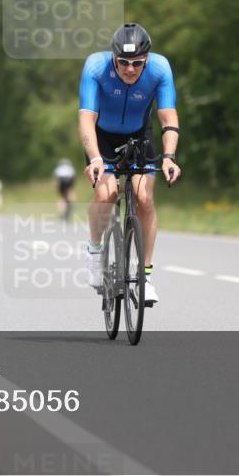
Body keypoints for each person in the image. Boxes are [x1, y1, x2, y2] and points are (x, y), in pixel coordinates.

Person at [79, 22, 180, 305]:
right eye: (122, 62)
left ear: (146, 59)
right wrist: (96, 158)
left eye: (137, 63)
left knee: (144, 197)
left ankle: (145, 276)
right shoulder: (96, 67)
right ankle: (95, 251)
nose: (130, 69)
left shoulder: (160, 68)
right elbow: (86, 118)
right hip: (102, 137)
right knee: (106, 193)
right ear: (113, 57)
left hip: (139, 134)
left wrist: (170, 157)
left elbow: (168, 117)